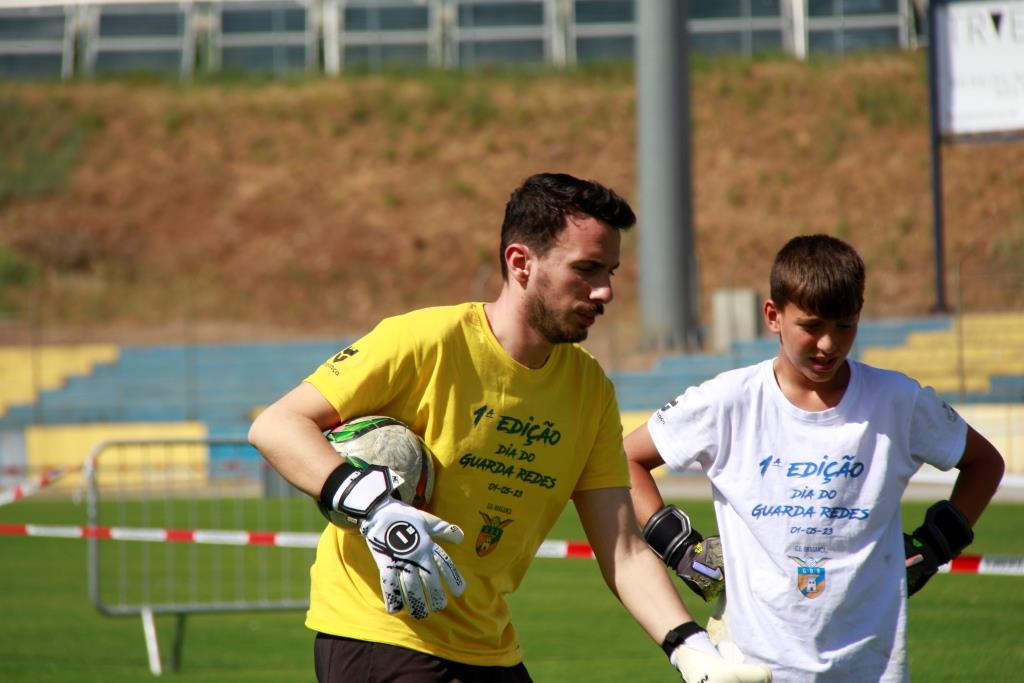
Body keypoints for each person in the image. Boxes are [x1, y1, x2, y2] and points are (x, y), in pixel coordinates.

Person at [248, 172, 771, 683]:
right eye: (586, 269)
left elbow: (624, 551)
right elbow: (276, 425)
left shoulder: (590, 389)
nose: (605, 291)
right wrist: (373, 506)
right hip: (378, 635)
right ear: (521, 263)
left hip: (490, 648)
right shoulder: (424, 341)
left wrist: (692, 650)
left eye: (610, 271)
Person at [625, 234, 1005, 683]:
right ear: (773, 316)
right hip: (750, 664)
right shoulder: (728, 401)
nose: (828, 344)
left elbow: (985, 463)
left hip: (870, 667)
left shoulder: (898, 401)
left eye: (844, 326)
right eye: (812, 325)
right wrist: (684, 550)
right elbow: (625, 460)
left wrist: (935, 546)